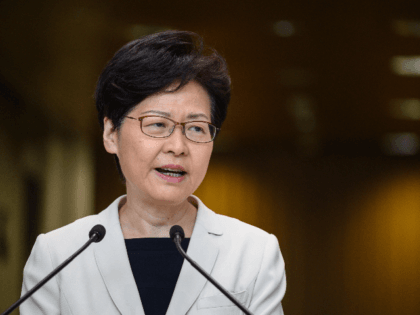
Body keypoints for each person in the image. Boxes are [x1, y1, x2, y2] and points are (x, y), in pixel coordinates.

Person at [20, 30, 286, 315]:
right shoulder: (58, 255)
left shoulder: (254, 253)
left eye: (196, 128)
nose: (178, 147)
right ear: (111, 134)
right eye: (158, 124)